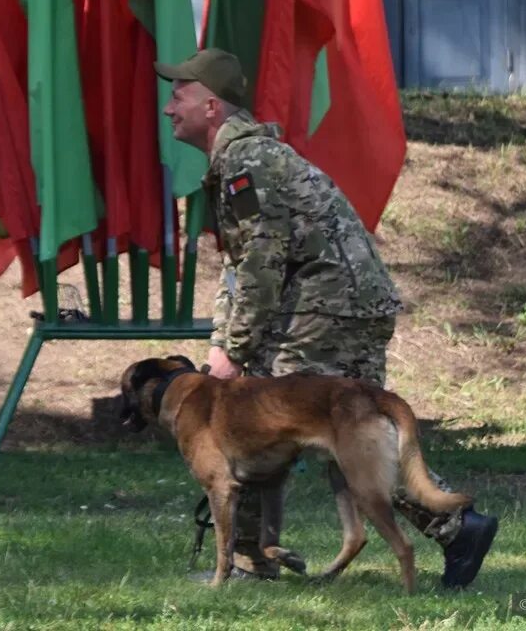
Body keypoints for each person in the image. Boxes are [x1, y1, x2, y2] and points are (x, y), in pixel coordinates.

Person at [155, 48, 497, 588]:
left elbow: (261, 265)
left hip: (325, 307)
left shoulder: (248, 163)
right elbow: (238, 268)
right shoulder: (240, 160)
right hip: (345, 305)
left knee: (261, 412)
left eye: (179, 94)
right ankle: (457, 527)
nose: (169, 107)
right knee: (351, 433)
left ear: (212, 105)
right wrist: (223, 340)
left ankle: (248, 564)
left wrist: (232, 351)